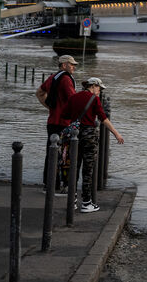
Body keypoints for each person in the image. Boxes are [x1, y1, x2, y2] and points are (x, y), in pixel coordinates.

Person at [62, 77, 124, 213]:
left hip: (75, 136)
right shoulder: (94, 99)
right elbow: (103, 119)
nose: (99, 91)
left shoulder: (74, 97)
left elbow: (64, 114)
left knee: (74, 167)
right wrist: (116, 133)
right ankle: (86, 203)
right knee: (88, 170)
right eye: (99, 88)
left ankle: (72, 201)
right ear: (93, 86)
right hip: (89, 136)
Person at [35, 55, 78, 192]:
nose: (74, 67)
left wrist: (50, 107)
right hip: (64, 123)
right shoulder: (66, 79)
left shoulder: (53, 77)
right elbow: (73, 100)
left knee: (51, 152)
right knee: (64, 155)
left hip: (52, 121)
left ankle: (48, 183)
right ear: (64, 65)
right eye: (71, 64)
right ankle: (60, 185)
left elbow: (39, 92)